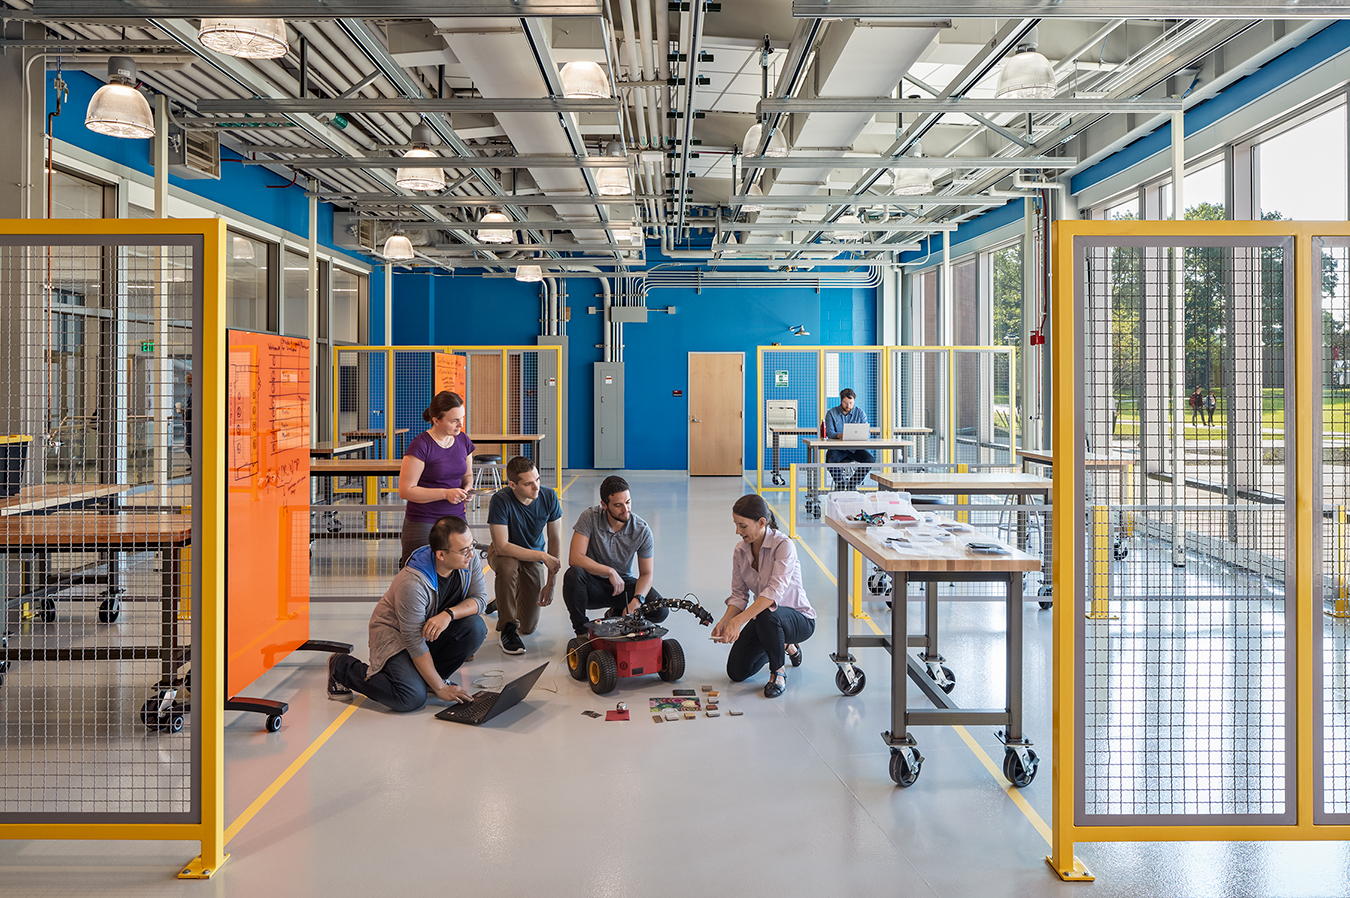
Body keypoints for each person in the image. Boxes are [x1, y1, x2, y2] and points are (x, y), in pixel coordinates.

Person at [327, 515, 487, 712]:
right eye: (464, 550)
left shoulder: (468, 561)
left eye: (472, 546)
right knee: (410, 698)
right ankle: (340, 666)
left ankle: (427, 678)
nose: (471, 554)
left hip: (429, 630)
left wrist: (448, 614)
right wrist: (440, 687)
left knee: (475, 627)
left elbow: (480, 600)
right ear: (441, 555)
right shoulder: (412, 583)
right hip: (396, 636)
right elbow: (413, 640)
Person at [711, 493, 815, 698]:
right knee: (737, 672)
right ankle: (784, 645)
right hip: (766, 622)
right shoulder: (740, 551)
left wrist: (739, 621)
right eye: (736, 525)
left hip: (798, 619)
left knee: (769, 613)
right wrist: (726, 621)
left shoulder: (784, 545)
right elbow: (739, 595)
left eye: (742, 526)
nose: (737, 531)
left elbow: (773, 593)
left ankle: (778, 673)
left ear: (761, 523)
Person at [562, 475, 667, 636]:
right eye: (618, 505)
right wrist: (609, 571)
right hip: (592, 587)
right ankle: (582, 632)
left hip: (622, 587)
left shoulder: (642, 530)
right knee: (573, 574)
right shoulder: (589, 517)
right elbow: (575, 558)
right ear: (604, 504)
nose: (625, 510)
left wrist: (637, 600)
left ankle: (616, 615)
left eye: (628, 502)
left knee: (661, 610)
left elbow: (646, 574)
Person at [486, 456, 562, 655]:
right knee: (508, 566)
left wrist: (551, 583)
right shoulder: (500, 500)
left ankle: (502, 600)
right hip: (503, 554)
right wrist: (542, 556)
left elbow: (555, 541)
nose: (536, 487)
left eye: (537, 480)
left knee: (528, 628)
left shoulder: (549, 497)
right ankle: (507, 628)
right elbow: (502, 546)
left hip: (532, 558)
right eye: (528, 484)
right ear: (512, 484)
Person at [398, 391, 474, 567]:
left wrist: (468, 488)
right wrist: (445, 493)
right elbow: (406, 490)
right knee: (420, 573)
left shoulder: (463, 441)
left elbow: (467, 475)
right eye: (454, 420)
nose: (460, 425)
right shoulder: (421, 445)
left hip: (456, 519)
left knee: (459, 573)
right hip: (423, 521)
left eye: (462, 418)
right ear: (436, 420)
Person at [824, 388, 874, 491]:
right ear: (841, 401)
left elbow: (867, 433)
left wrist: (861, 435)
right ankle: (840, 483)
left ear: (854, 401)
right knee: (830, 459)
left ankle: (852, 484)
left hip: (855, 449)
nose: (848, 406)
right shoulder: (831, 413)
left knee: (870, 459)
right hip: (837, 449)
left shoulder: (860, 413)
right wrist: (842, 435)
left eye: (851, 403)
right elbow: (830, 433)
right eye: (845, 403)